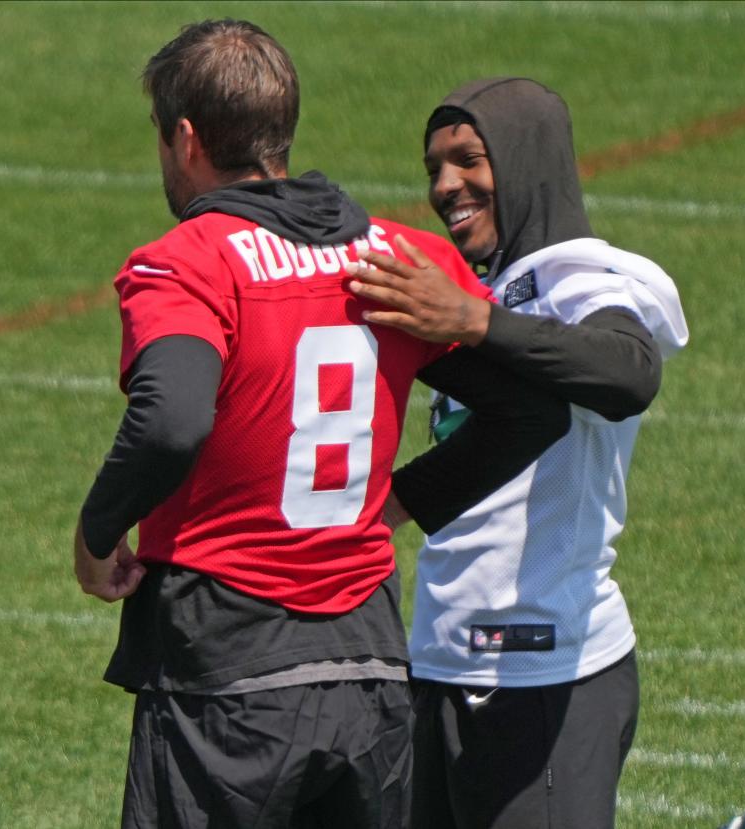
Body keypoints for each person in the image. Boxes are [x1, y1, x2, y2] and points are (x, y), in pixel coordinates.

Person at [72, 27, 571, 829]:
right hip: (368, 670)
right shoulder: (397, 256)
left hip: (224, 677)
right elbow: (531, 409)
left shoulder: (188, 260)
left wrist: (96, 535)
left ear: (188, 138)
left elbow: (170, 418)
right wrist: (400, 502)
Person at [345, 77, 689, 828]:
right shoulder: (485, 284)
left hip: (543, 672)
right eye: (434, 166)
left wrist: (473, 321)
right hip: (440, 659)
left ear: (525, 158)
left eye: (468, 159)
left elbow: (628, 373)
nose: (445, 185)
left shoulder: (585, 279)